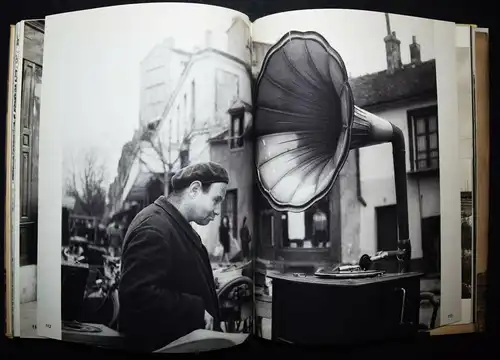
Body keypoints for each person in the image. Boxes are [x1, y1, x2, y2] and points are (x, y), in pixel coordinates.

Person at [118, 162, 229, 352]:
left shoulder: (169, 224)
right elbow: (137, 297)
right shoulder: (154, 228)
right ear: (194, 189)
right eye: (216, 199)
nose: (218, 210)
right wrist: (196, 311)